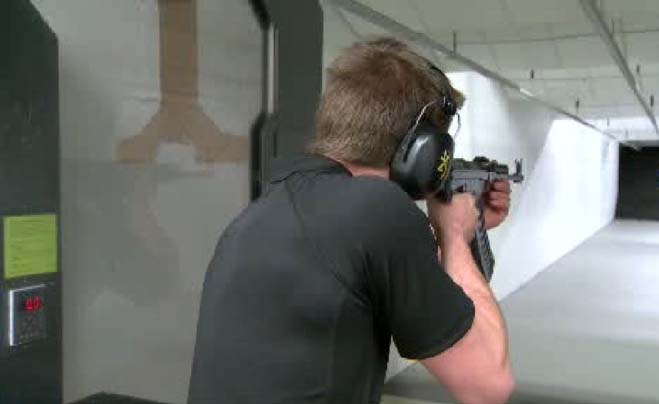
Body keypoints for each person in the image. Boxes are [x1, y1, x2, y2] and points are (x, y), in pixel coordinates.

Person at [188, 37, 514, 404]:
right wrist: (454, 234)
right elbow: (489, 384)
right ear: (424, 154)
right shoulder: (379, 209)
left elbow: (387, 276)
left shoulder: (263, 210)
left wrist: (455, 232)